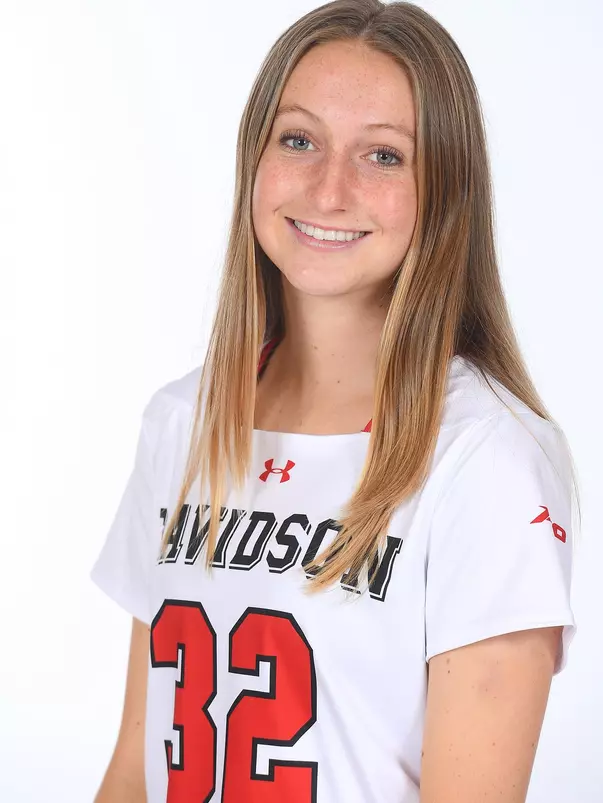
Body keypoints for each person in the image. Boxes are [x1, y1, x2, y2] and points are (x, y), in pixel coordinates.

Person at [90, 1, 580, 801]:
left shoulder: (484, 456)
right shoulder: (181, 422)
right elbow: (134, 769)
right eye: (298, 139)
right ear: (256, 158)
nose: (329, 187)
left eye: (383, 155)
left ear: (445, 188)